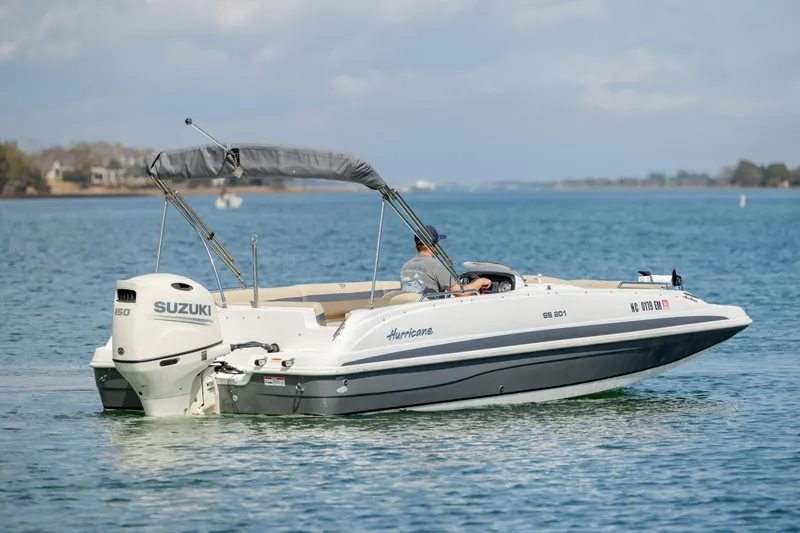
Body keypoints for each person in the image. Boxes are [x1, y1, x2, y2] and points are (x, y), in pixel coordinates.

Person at [400, 225, 491, 296]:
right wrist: (481, 281)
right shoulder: (437, 266)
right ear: (434, 245)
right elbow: (461, 293)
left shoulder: (405, 267)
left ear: (417, 246)